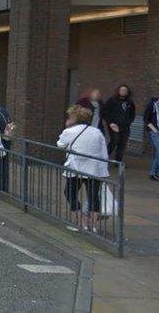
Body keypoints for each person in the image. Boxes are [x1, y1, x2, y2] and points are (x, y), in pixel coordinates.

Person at [58, 104, 110, 232]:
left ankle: (81, 221)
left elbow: (60, 145)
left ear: (74, 118)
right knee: (93, 196)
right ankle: (92, 226)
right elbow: (104, 152)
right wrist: (104, 170)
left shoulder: (69, 131)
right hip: (95, 169)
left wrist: (67, 127)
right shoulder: (97, 132)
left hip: (76, 169)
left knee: (70, 193)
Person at [103, 85, 135, 162]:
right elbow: (105, 112)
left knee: (123, 144)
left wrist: (129, 121)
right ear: (118, 91)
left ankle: (118, 161)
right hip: (114, 125)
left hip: (125, 126)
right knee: (114, 141)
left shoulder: (130, 102)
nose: (123, 92)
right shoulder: (112, 100)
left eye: (125, 90)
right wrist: (110, 123)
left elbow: (132, 113)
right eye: (122, 90)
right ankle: (104, 158)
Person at [143, 84, 159, 183]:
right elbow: (146, 117)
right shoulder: (154, 103)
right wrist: (154, 129)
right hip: (156, 132)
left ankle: (153, 173)